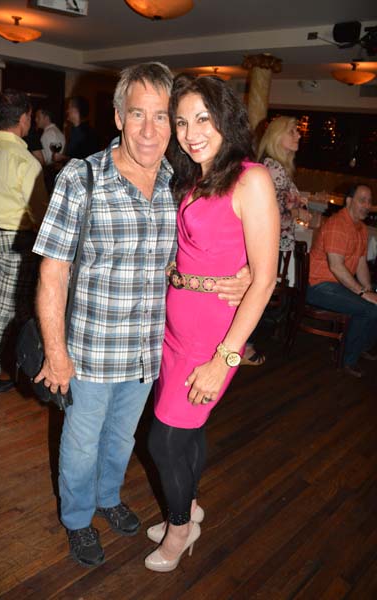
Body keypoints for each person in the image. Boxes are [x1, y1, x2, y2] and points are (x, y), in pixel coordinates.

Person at [32, 63, 250, 569]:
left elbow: (189, 258)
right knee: (81, 443)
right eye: (138, 115)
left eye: (161, 117)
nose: (151, 131)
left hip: (150, 350)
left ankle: (108, 498)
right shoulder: (80, 178)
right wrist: (56, 352)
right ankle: (79, 519)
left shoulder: (179, 184)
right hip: (89, 348)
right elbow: (52, 275)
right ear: (117, 117)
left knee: (123, 437)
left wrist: (238, 276)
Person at [144, 74, 280, 572]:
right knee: (189, 429)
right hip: (174, 327)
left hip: (212, 336)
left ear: (226, 118)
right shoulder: (195, 176)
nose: (190, 131)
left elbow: (264, 279)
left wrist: (225, 358)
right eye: (182, 121)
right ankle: (191, 507)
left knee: (164, 439)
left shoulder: (252, 177)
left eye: (203, 118)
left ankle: (180, 530)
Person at [0, 89, 48, 396]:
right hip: (15, 244)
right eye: (30, 117)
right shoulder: (25, 160)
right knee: (3, 310)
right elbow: (41, 213)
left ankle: (24, 361)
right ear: (23, 119)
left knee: (19, 304)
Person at [307, 184, 377, 378]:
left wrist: (368, 289)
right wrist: (363, 294)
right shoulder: (339, 224)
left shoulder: (361, 229)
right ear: (349, 201)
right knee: (369, 308)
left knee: (374, 301)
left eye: (370, 201)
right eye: (362, 200)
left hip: (336, 284)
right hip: (319, 286)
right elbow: (336, 266)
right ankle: (347, 358)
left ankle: (360, 344)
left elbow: (361, 263)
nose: (367, 205)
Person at [257, 116, 310, 253]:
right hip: (267, 244)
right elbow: (275, 216)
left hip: (265, 241)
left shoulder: (272, 164)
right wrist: (299, 212)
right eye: (292, 132)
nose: (298, 135)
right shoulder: (275, 168)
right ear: (277, 136)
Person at [53, 95, 99, 165]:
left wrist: (63, 158)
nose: (67, 111)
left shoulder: (87, 134)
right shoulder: (74, 130)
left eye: (69, 107)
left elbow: (86, 161)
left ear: (76, 110)